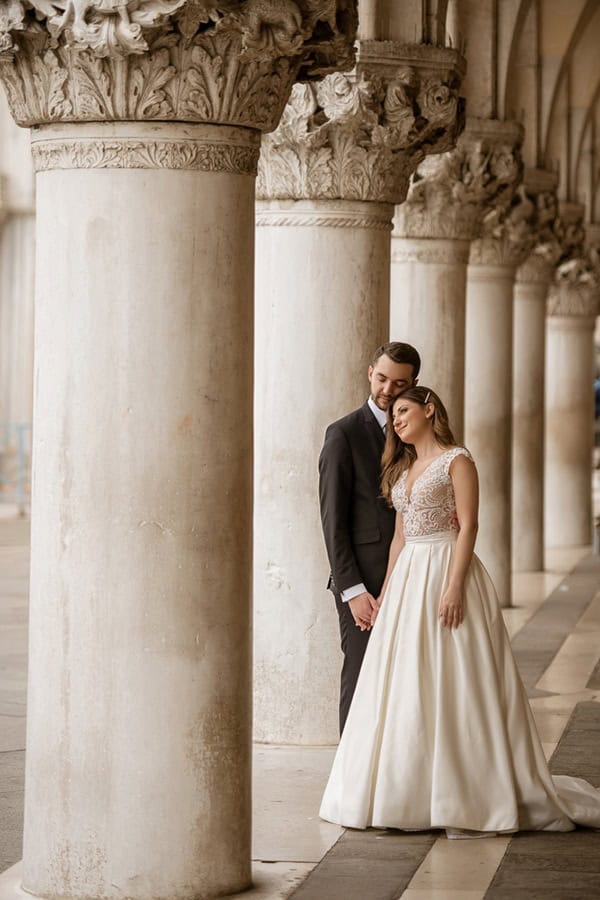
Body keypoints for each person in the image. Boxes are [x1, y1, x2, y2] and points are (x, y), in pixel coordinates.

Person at [320, 386, 600, 836]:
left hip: (448, 570)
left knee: (456, 678)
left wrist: (453, 587)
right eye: (392, 416)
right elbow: (399, 539)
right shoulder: (404, 469)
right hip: (410, 576)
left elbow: (469, 525)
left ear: (429, 409)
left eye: (405, 411)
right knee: (407, 681)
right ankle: (406, 791)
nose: (396, 421)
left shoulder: (458, 460)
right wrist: (388, 593)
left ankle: (466, 790)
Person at [318, 342, 420, 734]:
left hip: (411, 576)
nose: (388, 390)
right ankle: (350, 779)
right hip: (365, 586)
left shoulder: (415, 434)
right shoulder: (343, 434)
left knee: (404, 681)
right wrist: (352, 589)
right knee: (361, 678)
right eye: (382, 379)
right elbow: (333, 521)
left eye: (399, 383)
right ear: (369, 373)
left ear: (414, 383)